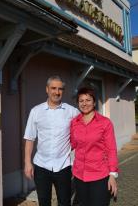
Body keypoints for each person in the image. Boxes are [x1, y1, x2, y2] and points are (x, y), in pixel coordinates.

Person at [24, 75, 79, 206]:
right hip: (41, 166)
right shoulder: (36, 111)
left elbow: (84, 130)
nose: (57, 92)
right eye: (53, 88)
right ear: (47, 89)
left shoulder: (72, 111)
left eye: (60, 89)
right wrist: (27, 163)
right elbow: (30, 138)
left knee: (65, 202)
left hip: (63, 166)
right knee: (44, 202)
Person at [70, 87, 118, 206]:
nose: (84, 103)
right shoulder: (74, 122)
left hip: (99, 176)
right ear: (78, 103)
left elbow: (111, 150)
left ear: (94, 102)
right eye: (81, 101)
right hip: (79, 175)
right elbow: (72, 144)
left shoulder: (105, 123)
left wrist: (112, 175)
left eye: (88, 100)